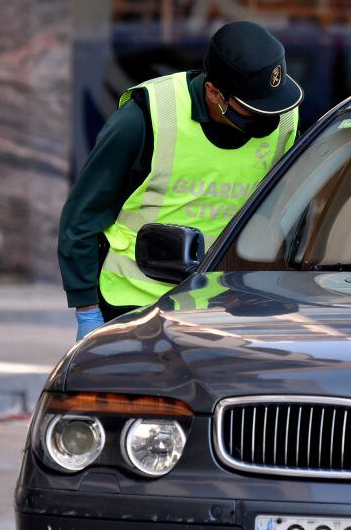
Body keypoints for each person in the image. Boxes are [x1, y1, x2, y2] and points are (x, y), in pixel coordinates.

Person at [59, 21, 301, 340]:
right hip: (135, 305)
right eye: (254, 109)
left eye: (272, 106)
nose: (268, 119)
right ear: (215, 92)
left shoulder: (283, 120)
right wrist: (88, 310)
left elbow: (281, 212)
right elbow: (83, 215)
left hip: (225, 304)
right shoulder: (146, 119)